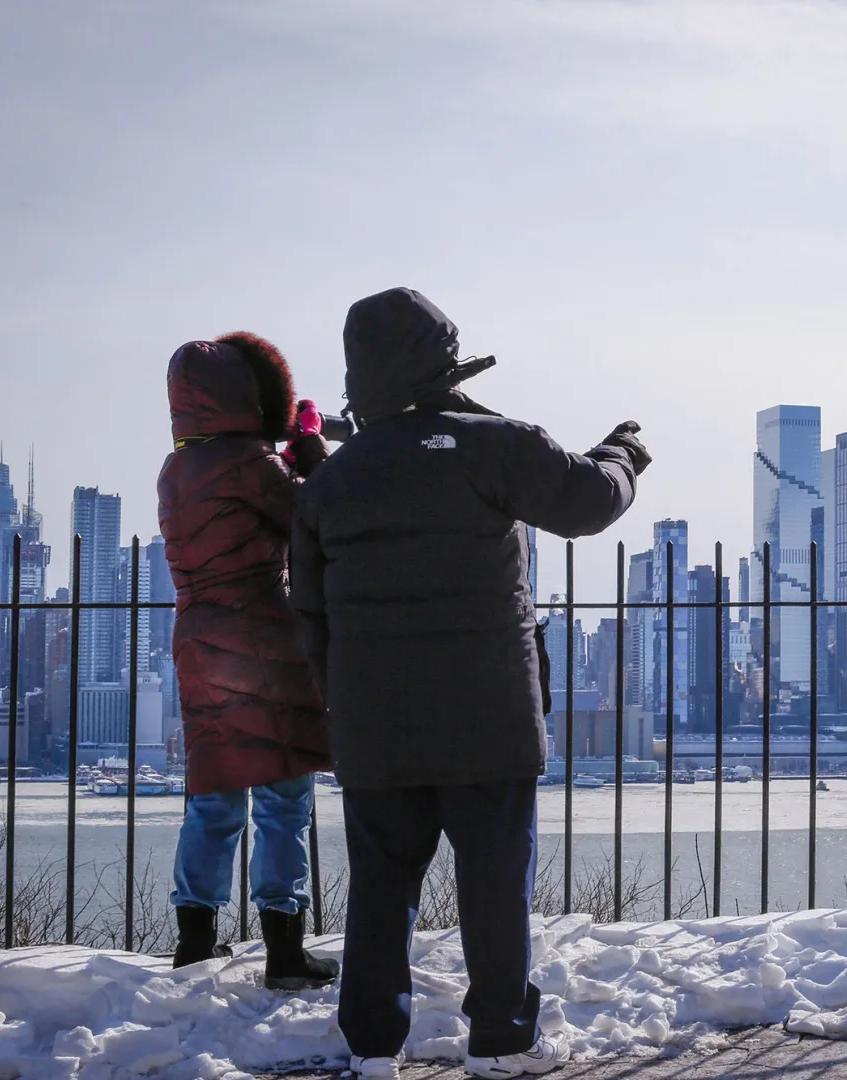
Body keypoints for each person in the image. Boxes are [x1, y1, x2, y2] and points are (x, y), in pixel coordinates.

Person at [290, 288, 648, 1080]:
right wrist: (624, 451)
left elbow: (309, 616)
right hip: (489, 716)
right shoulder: (495, 445)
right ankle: (500, 1043)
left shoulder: (330, 483)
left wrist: (342, 702)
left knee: (381, 887)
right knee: (494, 886)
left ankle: (375, 1046)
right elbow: (591, 501)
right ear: (445, 358)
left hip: (376, 724)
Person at [158, 332, 340, 991]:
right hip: (261, 641)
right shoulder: (252, 464)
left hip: (198, 643)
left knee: (212, 797)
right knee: (285, 798)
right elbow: (315, 515)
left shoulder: (177, 469)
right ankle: (285, 947)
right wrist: (308, 451)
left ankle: (194, 944)